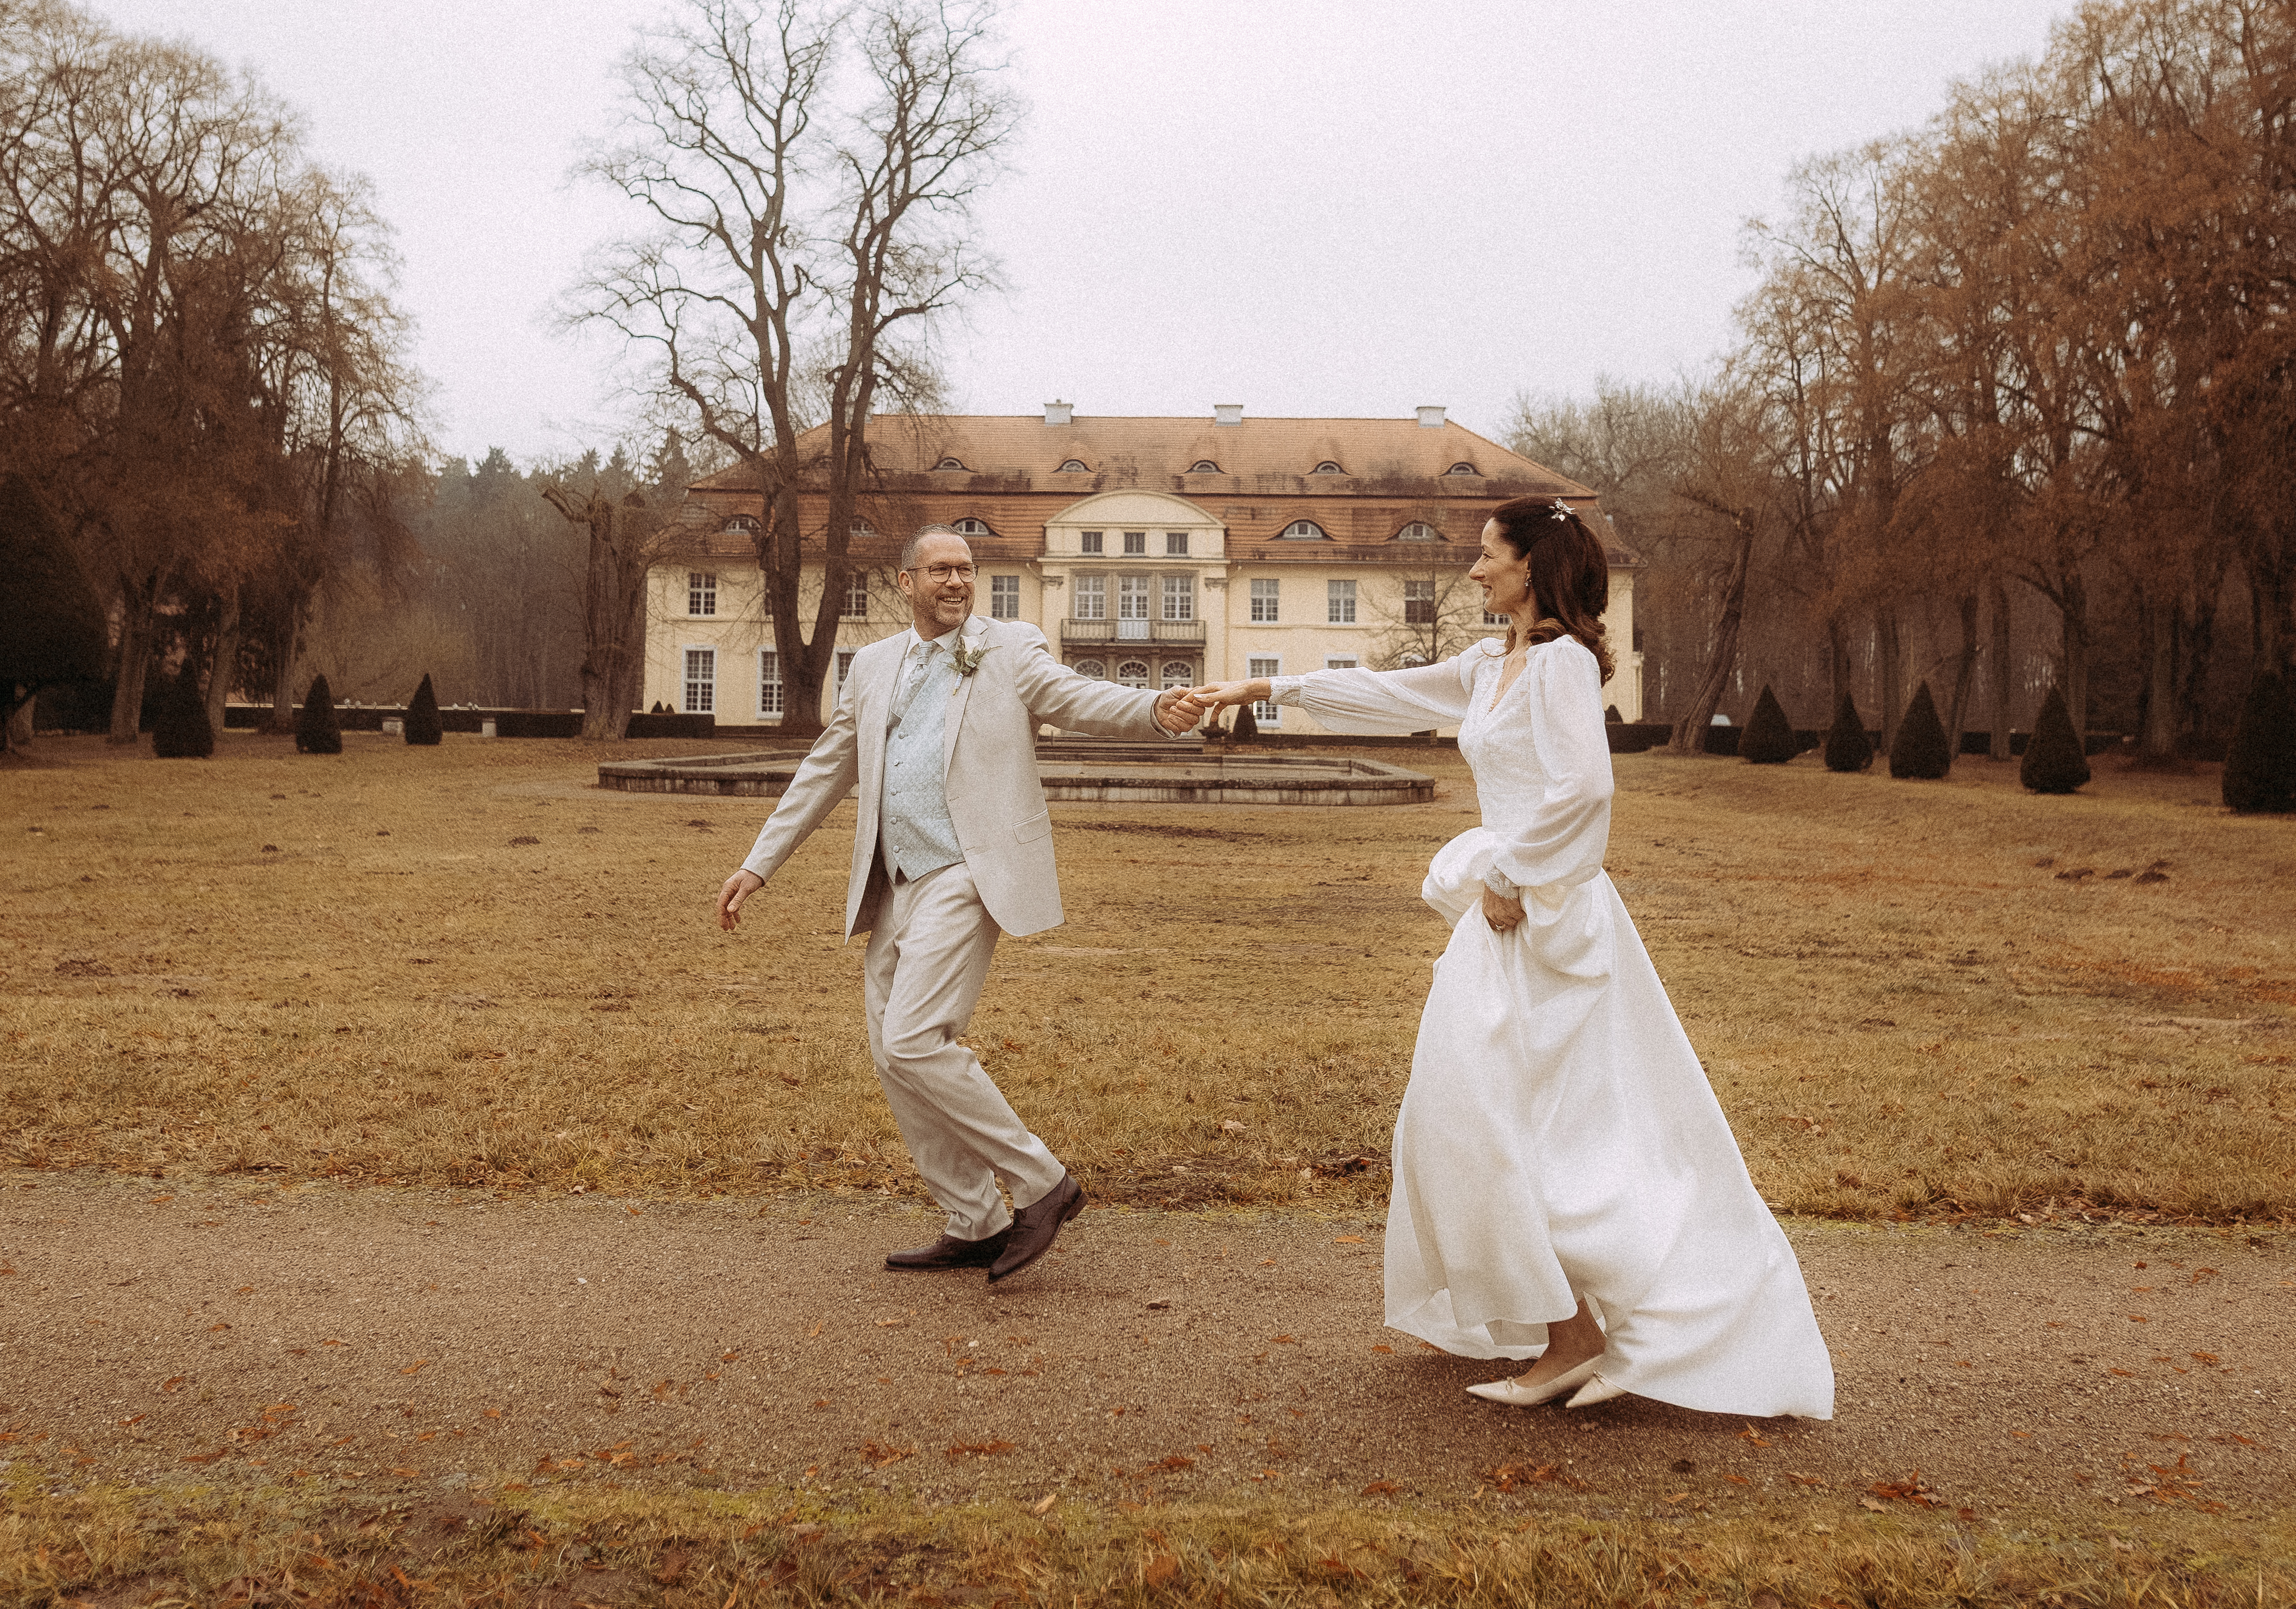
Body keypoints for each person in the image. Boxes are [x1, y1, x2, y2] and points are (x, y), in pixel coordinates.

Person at [1192, 497, 1833, 1417]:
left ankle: (1584, 1329)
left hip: (1546, 919)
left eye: (1486, 553)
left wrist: (1513, 872)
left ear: (1531, 565)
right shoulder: (1491, 663)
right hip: (1502, 922)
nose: (1473, 568)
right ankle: (1565, 1326)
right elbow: (1390, 695)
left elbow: (1585, 788)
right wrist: (1258, 693)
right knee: (1463, 1114)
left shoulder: (1562, 664)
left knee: (1533, 1125)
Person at [715, 525, 1209, 1283]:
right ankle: (974, 1218)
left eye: (966, 570)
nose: (956, 581)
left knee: (915, 1038)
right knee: (892, 1053)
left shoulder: (1009, 648)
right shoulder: (872, 666)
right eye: (940, 569)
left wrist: (1151, 706)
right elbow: (827, 767)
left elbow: (1074, 696)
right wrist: (759, 863)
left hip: (966, 870)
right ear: (906, 581)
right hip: (894, 880)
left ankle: (1043, 1183)